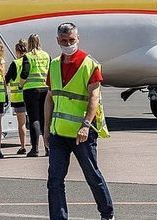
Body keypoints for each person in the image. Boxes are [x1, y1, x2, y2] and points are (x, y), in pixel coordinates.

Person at [44, 22, 114, 220]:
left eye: (71, 40)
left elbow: (94, 97)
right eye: (64, 41)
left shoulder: (89, 64)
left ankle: (107, 214)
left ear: (78, 39)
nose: (68, 44)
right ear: (58, 41)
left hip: (81, 134)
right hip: (59, 134)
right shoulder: (54, 64)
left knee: (92, 176)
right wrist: (46, 129)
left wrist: (85, 125)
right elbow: (50, 98)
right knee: (54, 180)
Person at [20, 34, 50, 157]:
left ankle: (35, 148)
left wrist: (21, 85)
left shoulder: (28, 56)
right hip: (45, 89)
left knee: (34, 119)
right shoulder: (46, 55)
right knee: (45, 119)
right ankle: (48, 147)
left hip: (31, 90)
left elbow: (25, 73)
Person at [4, 39, 29, 155]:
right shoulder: (31, 61)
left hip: (19, 98)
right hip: (32, 95)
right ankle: (41, 145)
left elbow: (7, 79)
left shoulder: (16, 63)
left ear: (17, 51)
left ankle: (23, 146)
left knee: (22, 123)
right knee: (36, 121)